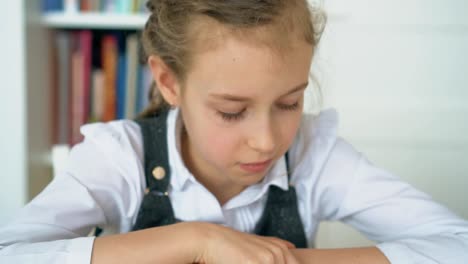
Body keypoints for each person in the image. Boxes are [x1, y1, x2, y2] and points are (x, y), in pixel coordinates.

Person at [1, 0, 468, 263]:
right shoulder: (119, 158)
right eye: (231, 111)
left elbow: (455, 245)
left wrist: (282, 263)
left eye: (289, 102)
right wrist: (197, 241)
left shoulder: (315, 156)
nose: (267, 140)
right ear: (168, 82)